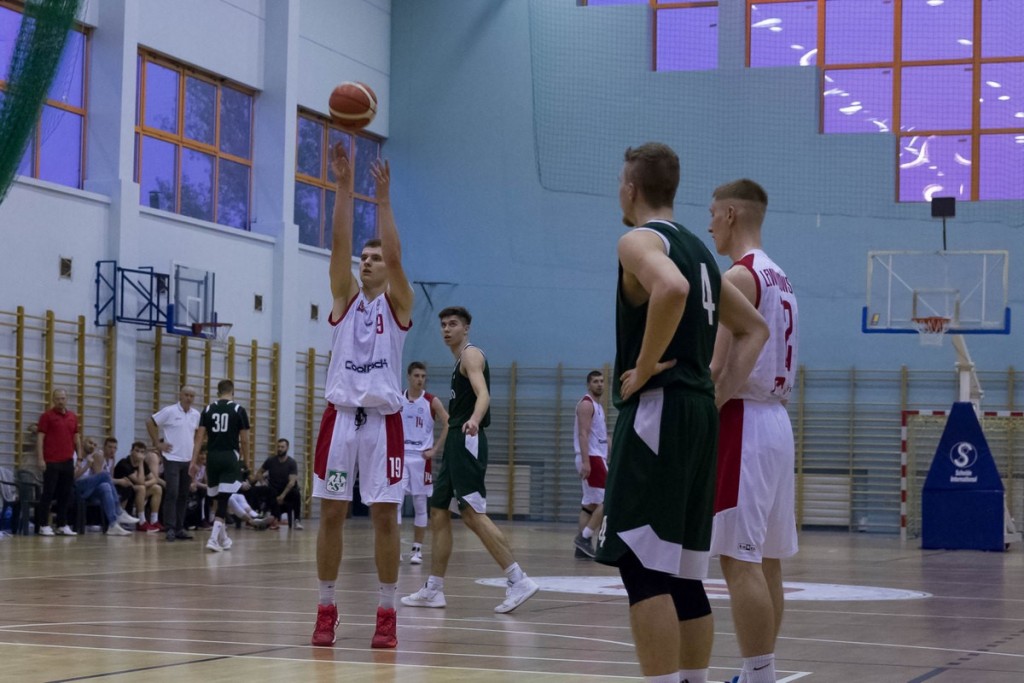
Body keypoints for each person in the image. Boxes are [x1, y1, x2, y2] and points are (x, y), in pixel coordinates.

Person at [593, 143, 769, 683]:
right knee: (684, 576)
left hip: (659, 411)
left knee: (641, 569)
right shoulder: (700, 249)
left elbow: (671, 288)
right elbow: (754, 328)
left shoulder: (638, 241)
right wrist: (714, 394)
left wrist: (645, 366)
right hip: (698, 417)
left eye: (620, 183)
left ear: (630, 188)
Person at [311, 142, 413, 650]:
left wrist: (384, 199)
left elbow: (395, 256)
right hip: (340, 420)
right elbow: (338, 245)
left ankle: (387, 611)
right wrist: (344, 187)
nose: (369, 262)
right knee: (331, 513)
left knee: (384, 516)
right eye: (365, 258)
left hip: (382, 423)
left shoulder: (398, 305)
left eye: (375, 258)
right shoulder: (344, 298)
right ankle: (325, 607)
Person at [707, 179, 799, 683]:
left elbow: (718, 366)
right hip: (777, 421)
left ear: (731, 214)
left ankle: (759, 676)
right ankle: (755, 671)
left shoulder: (739, 277)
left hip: (743, 418)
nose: (709, 226)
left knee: (738, 560)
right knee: (766, 561)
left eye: (713, 214)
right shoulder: (780, 275)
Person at [402, 307, 540, 614]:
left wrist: (475, 420)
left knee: (472, 513)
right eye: (443, 324)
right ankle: (434, 589)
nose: (446, 329)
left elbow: (484, 394)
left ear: (466, 329)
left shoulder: (470, 355)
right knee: (438, 512)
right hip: (455, 438)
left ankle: (518, 579)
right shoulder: (458, 361)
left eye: (453, 324)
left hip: (466, 438)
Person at [190, 379, 250, 553]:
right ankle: (213, 539)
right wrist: (246, 461)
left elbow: (199, 438)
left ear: (218, 392)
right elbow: (245, 440)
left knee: (218, 498)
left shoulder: (208, 409)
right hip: (229, 456)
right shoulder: (238, 410)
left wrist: (193, 461)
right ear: (233, 392)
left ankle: (224, 539)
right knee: (223, 499)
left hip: (212, 457)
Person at [400, 361, 449, 564]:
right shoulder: (397, 399)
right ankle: (395, 548)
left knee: (420, 504)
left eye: (423, 376)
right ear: (409, 377)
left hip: (421, 458)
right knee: (395, 502)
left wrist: (435, 449)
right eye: (416, 376)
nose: (420, 379)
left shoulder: (431, 401)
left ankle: (417, 550)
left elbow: (448, 423)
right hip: (401, 456)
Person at [148, 386, 200, 541]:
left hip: (188, 459)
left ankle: (179, 527)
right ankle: (169, 527)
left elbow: (198, 434)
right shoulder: (170, 411)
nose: (188, 398)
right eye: (186, 395)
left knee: (184, 494)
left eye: (191, 396)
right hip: (172, 458)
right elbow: (150, 422)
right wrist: (157, 443)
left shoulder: (196, 415)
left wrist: (195, 457)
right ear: (180, 395)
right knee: (172, 492)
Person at [35, 388, 82, 536]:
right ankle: (43, 525)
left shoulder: (72, 417)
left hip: (67, 461)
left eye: (63, 398)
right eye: (57, 399)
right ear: (53, 400)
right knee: (48, 493)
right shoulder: (46, 417)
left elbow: (76, 438)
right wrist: (40, 459)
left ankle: (62, 524)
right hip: (51, 461)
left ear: (67, 399)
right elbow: (40, 438)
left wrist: (79, 457)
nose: (60, 401)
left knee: (65, 494)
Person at [572, 370, 608, 560]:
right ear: (588, 385)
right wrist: (586, 461)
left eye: (601, 381)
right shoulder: (586, 404)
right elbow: (583, 434)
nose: (599, 384)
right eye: (595, 381)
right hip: (591, 458)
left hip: (596, 457)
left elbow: (600, 436)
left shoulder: (598, 406)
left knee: (590, 505)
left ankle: (581, 549)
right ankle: (584, 537)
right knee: (608, 500)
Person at [74, 436, 138, 536]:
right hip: (77, 487)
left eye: (94, 445)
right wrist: (87, 466)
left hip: (89, 489)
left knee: (105, 487)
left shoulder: (92, 457)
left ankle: (113, 525)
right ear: (83, 443)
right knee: (104, 475)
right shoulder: (76, 456)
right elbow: (73, 477)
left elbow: (107, 479)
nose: (92, 446)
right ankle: (119, 511)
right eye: (90, 443)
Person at [113, 442, 163, 530]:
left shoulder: (143, 464)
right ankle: (141, 521)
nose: (139, 454)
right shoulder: (124, 463)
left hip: (134, 490)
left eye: (142, 452)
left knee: (157, 488)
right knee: (141, 488)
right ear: (131, 451)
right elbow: (140, 482)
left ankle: (154, 520)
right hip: (122, 491)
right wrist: (140, 463)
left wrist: (144, 483)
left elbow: (154, 479)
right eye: (137, 451)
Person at [257, 438, 302, 529]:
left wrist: (282, 496)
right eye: (278, 447)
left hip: (286, 491)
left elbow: (292, 482)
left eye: (282, 447)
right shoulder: (270, 460)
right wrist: (263, 483)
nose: (280, 449)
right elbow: (259, 473)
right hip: (274, 491)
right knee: (264, 492)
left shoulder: (291, 463)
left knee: (296, 493)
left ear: (287, 448)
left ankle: (297, 520)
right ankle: (268, 518)